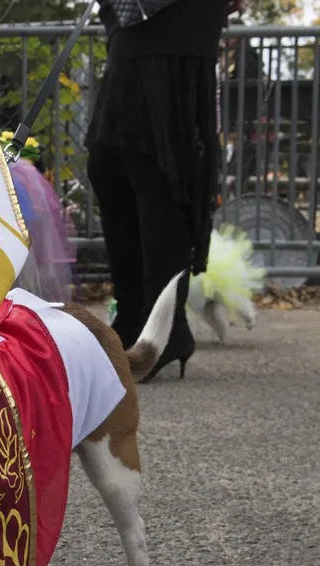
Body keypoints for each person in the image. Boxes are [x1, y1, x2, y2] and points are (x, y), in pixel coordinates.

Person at [85, 0, 245, 381]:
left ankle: (164, 326)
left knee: (157, 170)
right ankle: (136, 314)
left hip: (177, 26)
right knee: (108, 166)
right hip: (133, 22)